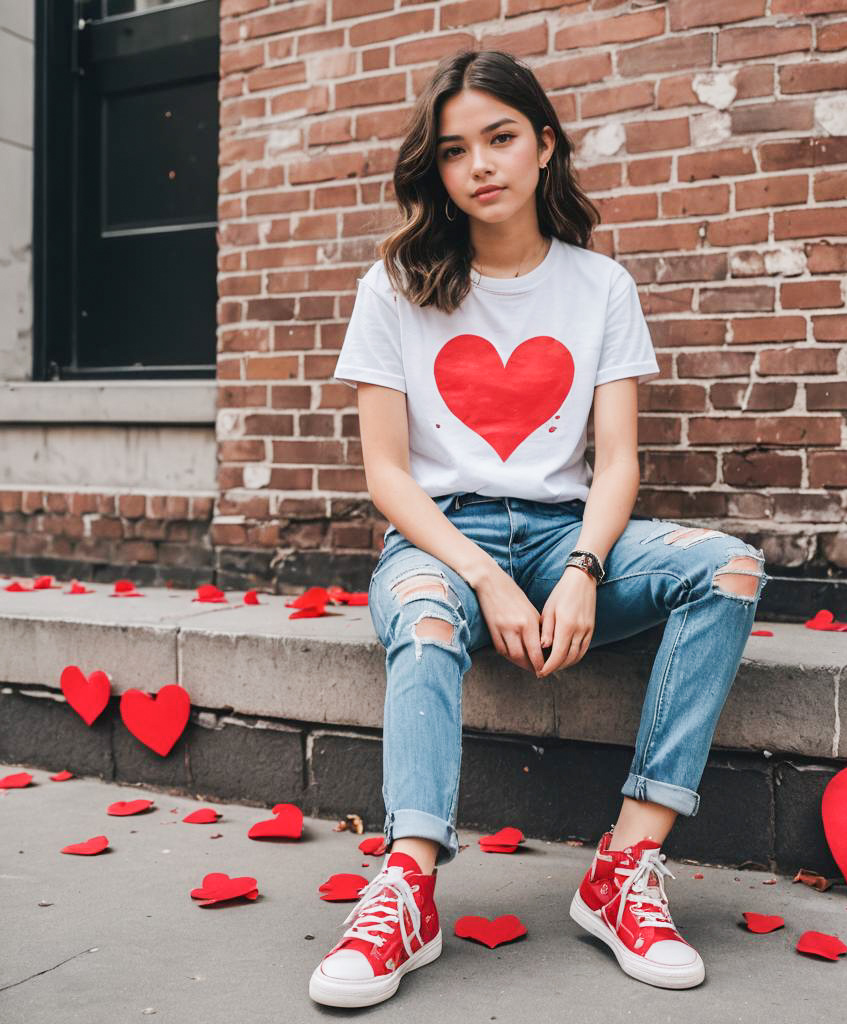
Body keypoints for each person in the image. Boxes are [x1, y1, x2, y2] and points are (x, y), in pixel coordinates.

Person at [308, 49, 770, 1009]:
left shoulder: (600, 287)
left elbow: (619, 462)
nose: (479, 164)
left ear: (545, 143)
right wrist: (483, 574)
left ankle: (624, 868)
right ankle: (407, 886)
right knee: (428, 622)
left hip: (569, 532)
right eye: (452, 150)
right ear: (432, 169)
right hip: (441, 542)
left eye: (501, 137)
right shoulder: (393, 285)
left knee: (726, 570)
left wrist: (583, 570)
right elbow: (387, 474)